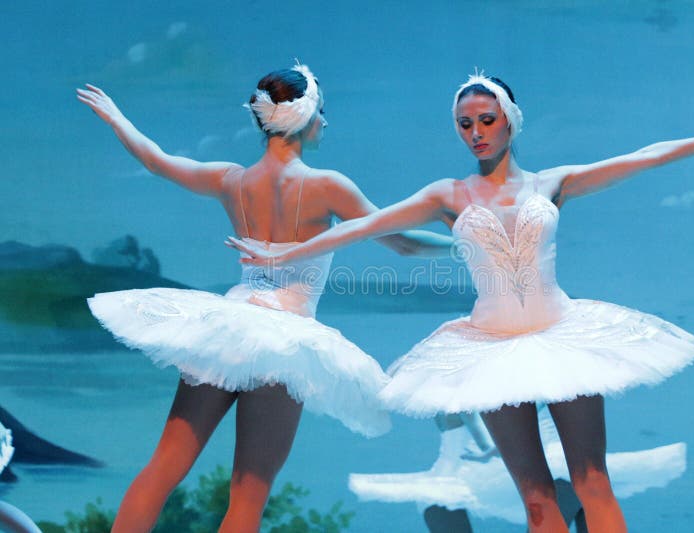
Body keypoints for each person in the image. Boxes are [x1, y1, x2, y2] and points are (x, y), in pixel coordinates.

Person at [228, 70, 694, 532]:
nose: (475, 133)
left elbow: (644, 156)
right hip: (490, 350)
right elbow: (362, 229)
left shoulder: (551, 183)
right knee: (538, 501)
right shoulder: (446, 195)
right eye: (465, 124)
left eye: (486, 120)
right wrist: (276, 258)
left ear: (511, 121)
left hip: (563, 338)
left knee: (593, 483)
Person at [77, 63, 452, 532]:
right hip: (283, 344)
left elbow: (156, 160)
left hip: (229, 330)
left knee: (163, 468)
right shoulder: (329, 186)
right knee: (247, 497)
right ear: (305, 117)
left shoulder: (231, 180)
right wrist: (464, 239)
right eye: (323, 113)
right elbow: (402, 241)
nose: (327, 123)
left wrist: (118, 119)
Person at [349, 407, 686, 533]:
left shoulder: (479, 392)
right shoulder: (463, 397)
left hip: (488, 474)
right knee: (577, 496)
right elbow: (486, 445)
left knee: (563, 497)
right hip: (474, 476)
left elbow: (489, 445)